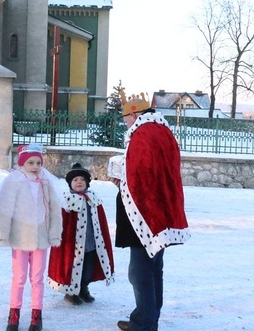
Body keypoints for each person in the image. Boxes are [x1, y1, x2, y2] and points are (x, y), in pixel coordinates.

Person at [108, 90, 190, 331]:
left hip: (145, 213)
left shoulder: (143, 134)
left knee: (140, 271)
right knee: (154, 268)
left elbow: (142, 175)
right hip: (161, 208)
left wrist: (123, 181)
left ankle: (144, 322)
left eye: (124, 116)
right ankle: (148, 317)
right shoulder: (162, 130)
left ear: (134, 113)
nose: (124, 121)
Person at [0, 143, 63, 331]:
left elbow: (54, 210)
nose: (35, 166)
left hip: (41, 237)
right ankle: (13, 315)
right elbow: (3, 209)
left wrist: (54, 233)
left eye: (38, 162)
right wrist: (1, 234)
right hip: (20, 237)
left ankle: (36, 316)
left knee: (37, 278)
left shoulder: (45, 182)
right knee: (19, 277)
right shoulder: (14, 181)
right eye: (30, 162)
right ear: (22, 163)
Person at [48, 162, 115, 306]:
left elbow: (100, 221)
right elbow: (61, 223)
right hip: (73, 245)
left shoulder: (93, 198)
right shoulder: (66, 201)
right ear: (70, 184)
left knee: (88, 269)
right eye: (75, 180)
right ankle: (71, 292)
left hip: (91, 243)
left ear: (87, 183)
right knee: (72, 268)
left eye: (82, 180)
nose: (79, 182)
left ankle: (83, 288)